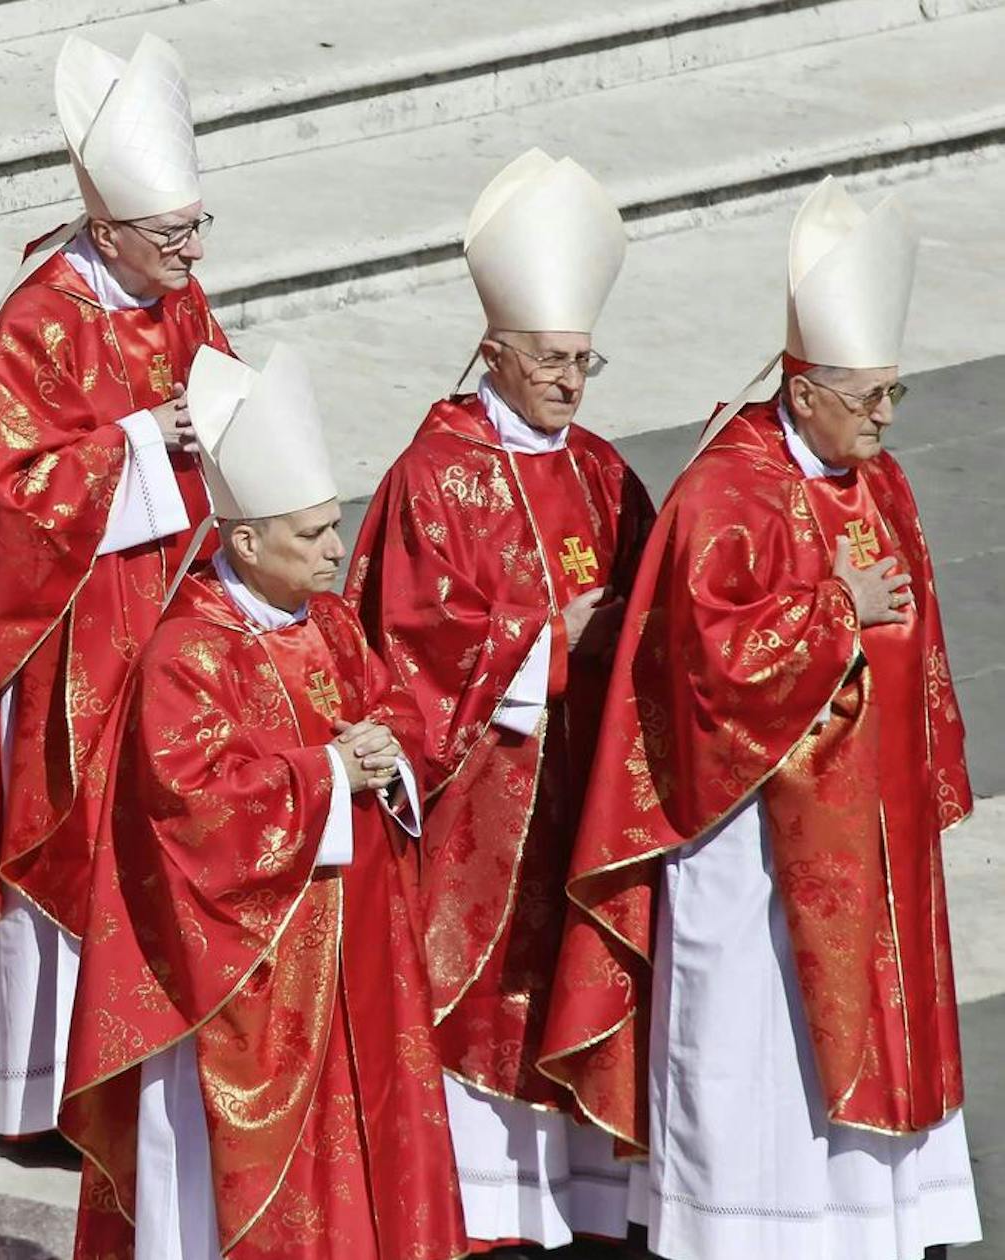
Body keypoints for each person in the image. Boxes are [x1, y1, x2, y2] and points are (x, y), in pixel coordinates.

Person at [539, 178, 979, 1260]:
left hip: (861, 831)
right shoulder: (721, 494)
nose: (883, 417)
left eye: (892, 394)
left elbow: (912, 636)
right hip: (744, 838)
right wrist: (836, 612)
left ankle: (860, 1230)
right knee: (751, 1043)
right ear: (803, 384)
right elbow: (702, 669)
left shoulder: (873, 482)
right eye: (867, 396)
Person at [0, 32, 230, 1139]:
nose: (188, 251)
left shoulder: (175, 296)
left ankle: (131, 1069)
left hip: (169, 605)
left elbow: (215, 402)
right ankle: (38, 1095)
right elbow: (7, 495)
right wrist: (136, 441)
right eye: (170, 234)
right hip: (65, 633)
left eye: (193, 227)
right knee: (67, 836)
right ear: (108, 228)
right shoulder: (38, 321)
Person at [59, 344, 464, 1260]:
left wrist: (384, 750)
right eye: (312, 535)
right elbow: (189, 810)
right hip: (240, 973)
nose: (335, 549)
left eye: (332, 528)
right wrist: (328, 774)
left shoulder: (324, 621)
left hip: (350, 940)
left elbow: (393, 709)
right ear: (244, 542)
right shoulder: (187, 654)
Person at [345, 148, 654, 1252]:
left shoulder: (605, 471)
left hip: (587, 787)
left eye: (583, 361)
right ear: (493, 350)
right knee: (479, 998)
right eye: (551, 362)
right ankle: (480, 1203)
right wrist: (544, 645)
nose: (571, 384)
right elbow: (404, 641)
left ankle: (584, 1197)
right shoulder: (434, 474)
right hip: (487, 796)